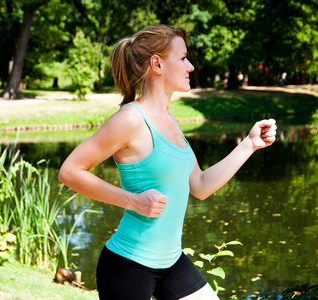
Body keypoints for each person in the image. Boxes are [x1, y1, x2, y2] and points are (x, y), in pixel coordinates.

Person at [58, 25, 277, 300]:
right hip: (129, 265)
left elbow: (200, 185)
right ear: (157, 63)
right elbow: (69, 171)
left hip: (171, 262)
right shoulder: (130, 119)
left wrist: (249, 144)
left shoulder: (171, 121)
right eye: (183, 58)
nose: (192, 66)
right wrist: (132, 200)